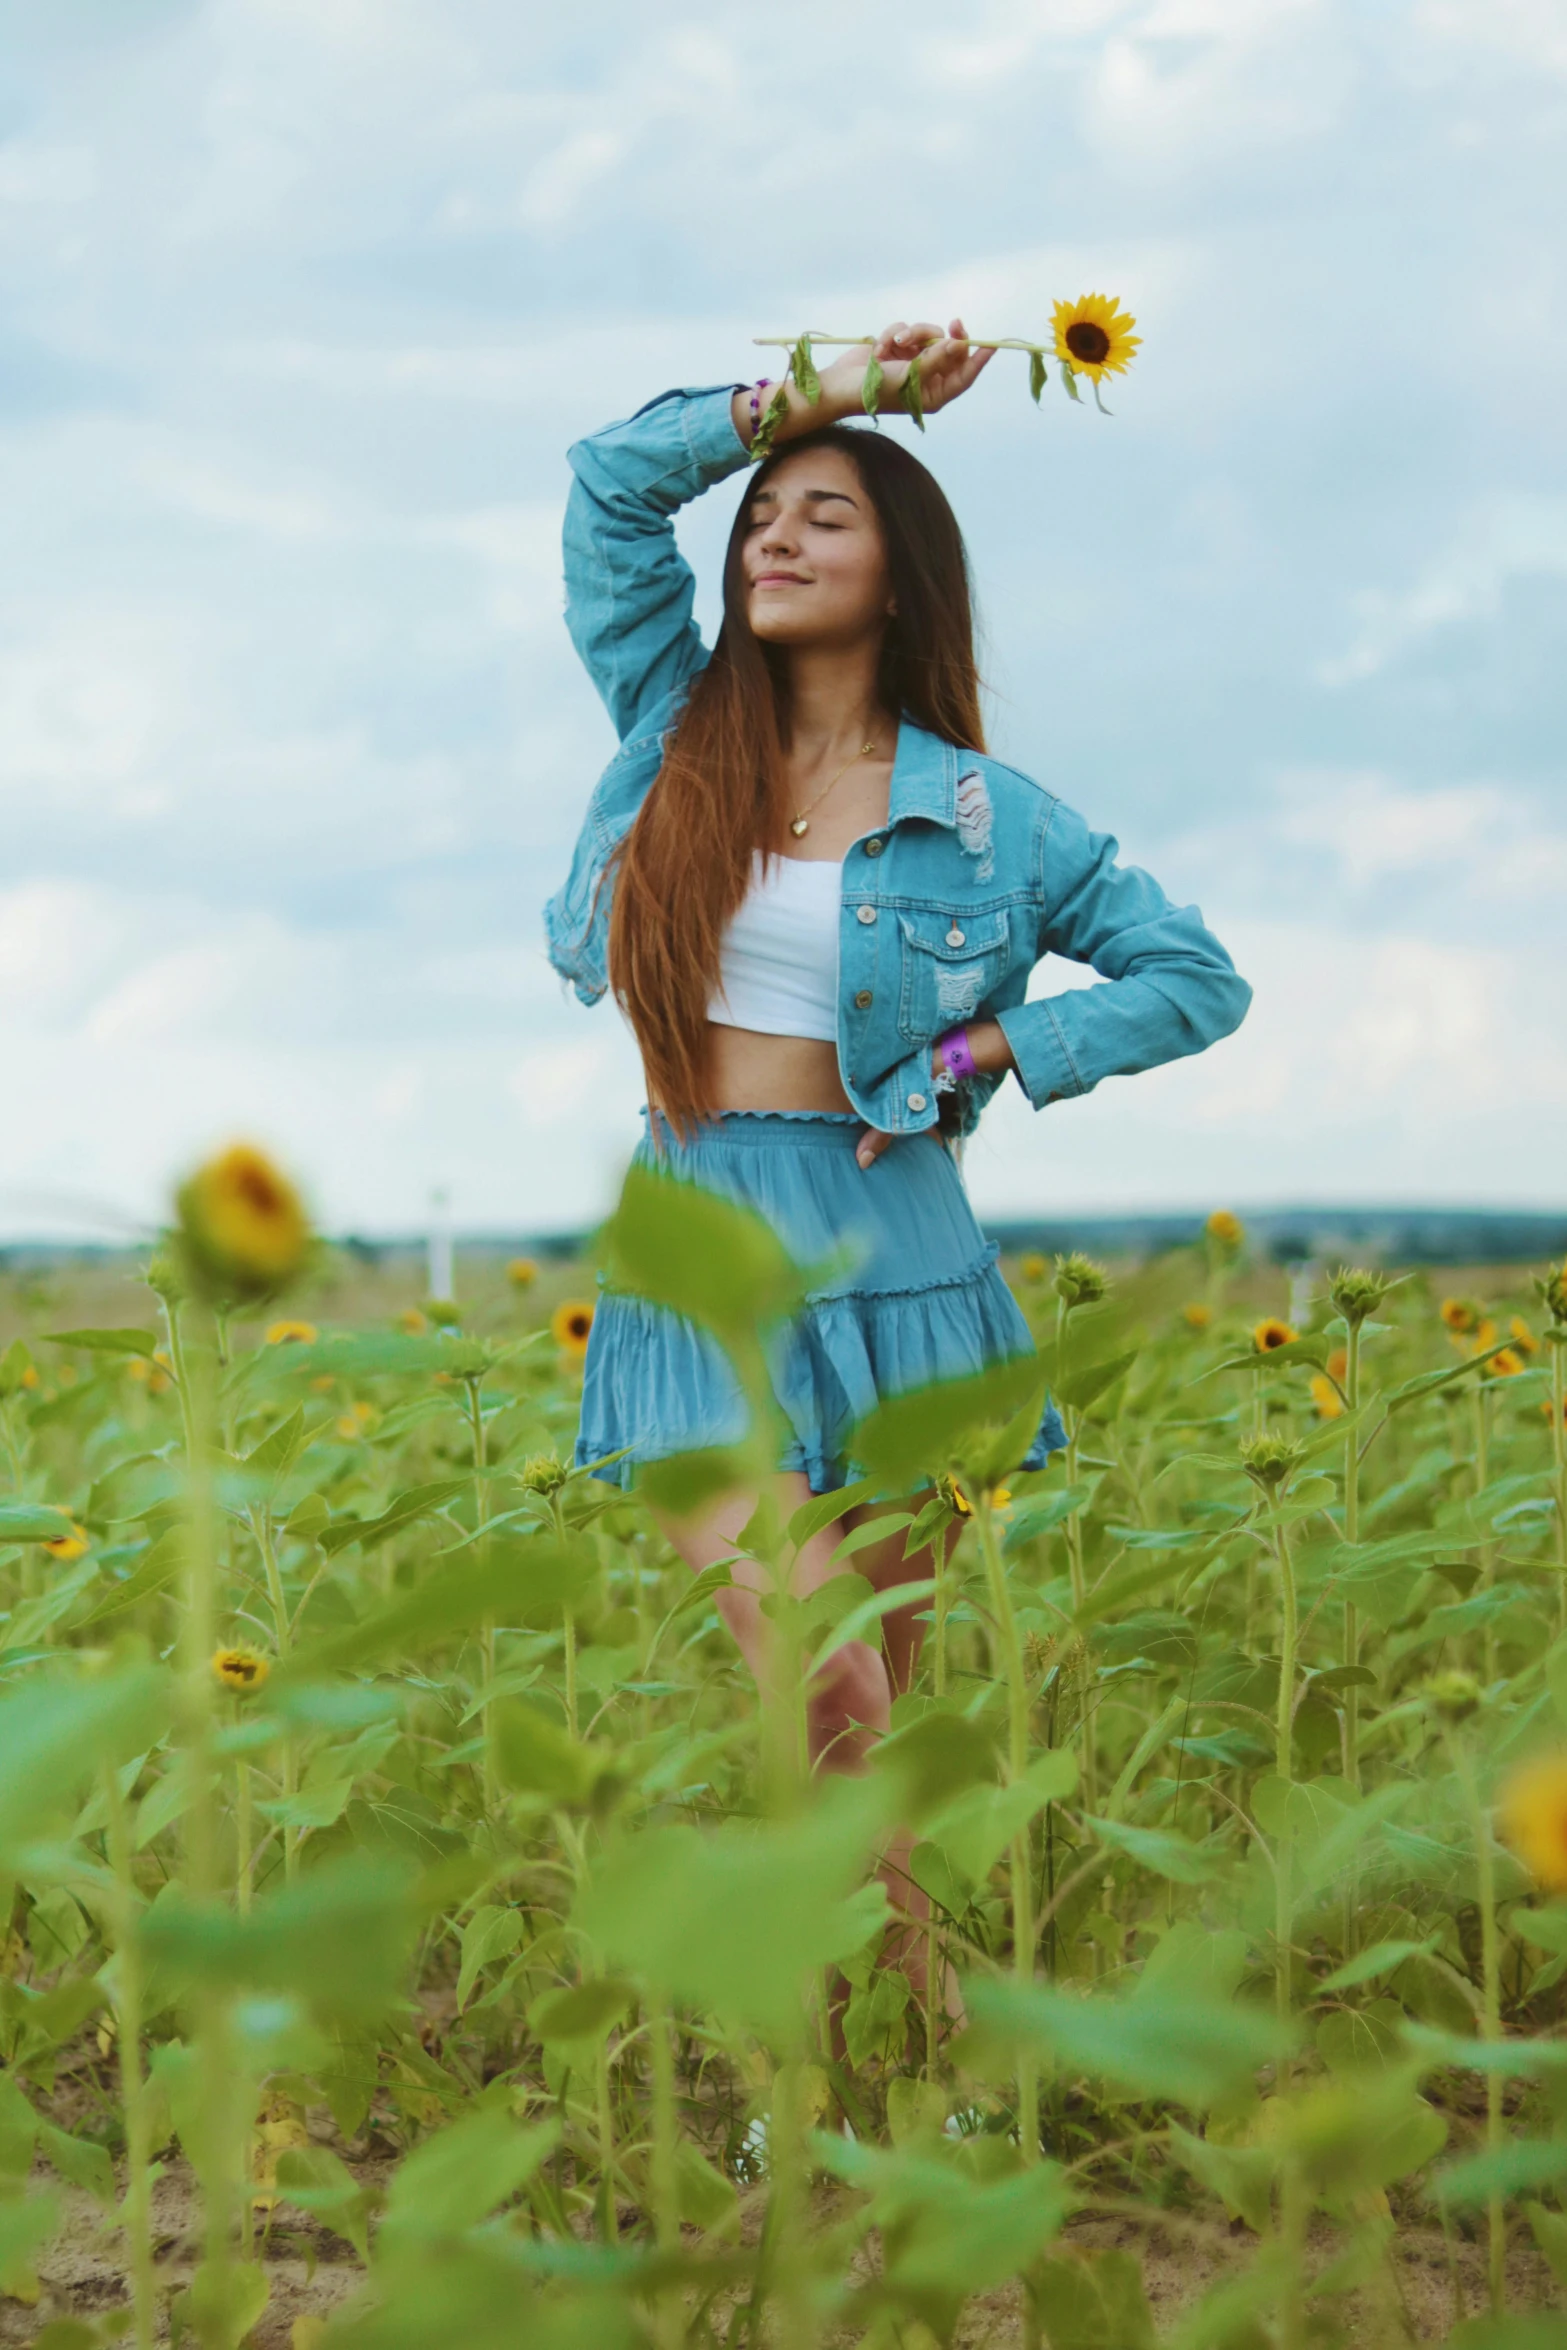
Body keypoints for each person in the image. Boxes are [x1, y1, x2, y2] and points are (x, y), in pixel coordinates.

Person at [545, 320, 1251, 2001]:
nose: (773, 536)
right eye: (762, 515)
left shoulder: (990, 815)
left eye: (824, 515)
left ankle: (892, 2061)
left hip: (902, 1264)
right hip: (704, 1254)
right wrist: (836, 392)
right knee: (820, 1684)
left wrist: (983, 1048)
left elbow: (1191, 977)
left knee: (871, 1725)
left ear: (901, 571)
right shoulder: (671, 725)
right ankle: (825, 2099)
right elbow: (604, 486)